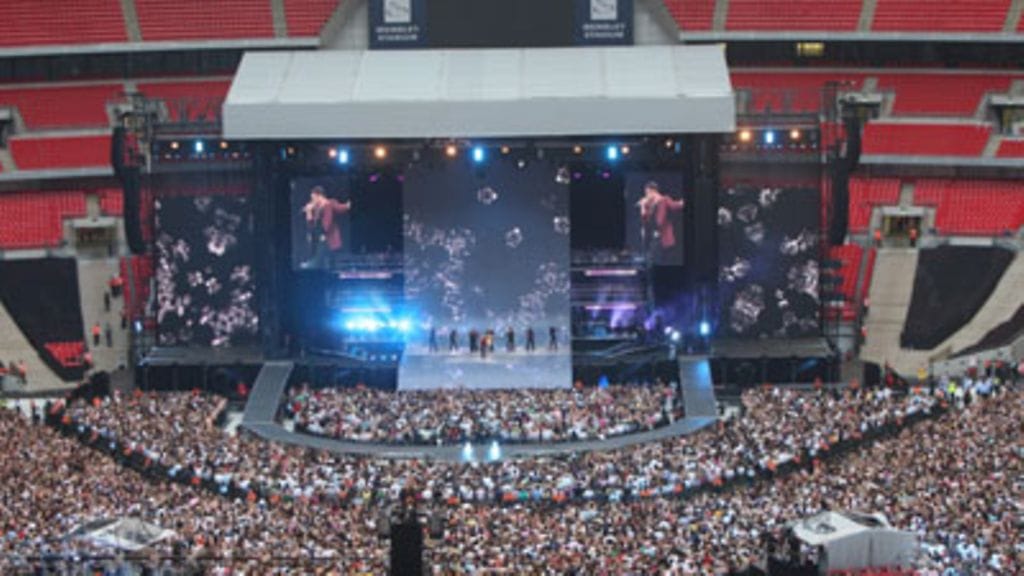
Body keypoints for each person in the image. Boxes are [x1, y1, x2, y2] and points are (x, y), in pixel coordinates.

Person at [302, 185, 352, 269]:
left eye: (313, 198)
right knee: (326, 260)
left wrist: (347, 205)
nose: (312, 201)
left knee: (322, 258)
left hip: (329, 237)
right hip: (320, 237)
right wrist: (309, 212)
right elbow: (311, 226)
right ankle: (314, 264)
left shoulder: (329, 203)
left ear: (319, 196)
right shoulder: (316, 209)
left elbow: (341, 208)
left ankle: (313, 264)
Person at [637, 181, 684, 263]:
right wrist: (643, 206)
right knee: (652, 258)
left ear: (653, 191)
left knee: (659, 259)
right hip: (653, 236)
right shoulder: (649, 205)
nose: (646, 195)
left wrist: (681, 202)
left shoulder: (664, 200)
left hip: (663, 237)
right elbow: (644, 220)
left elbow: (675, 206)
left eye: (647, 193)